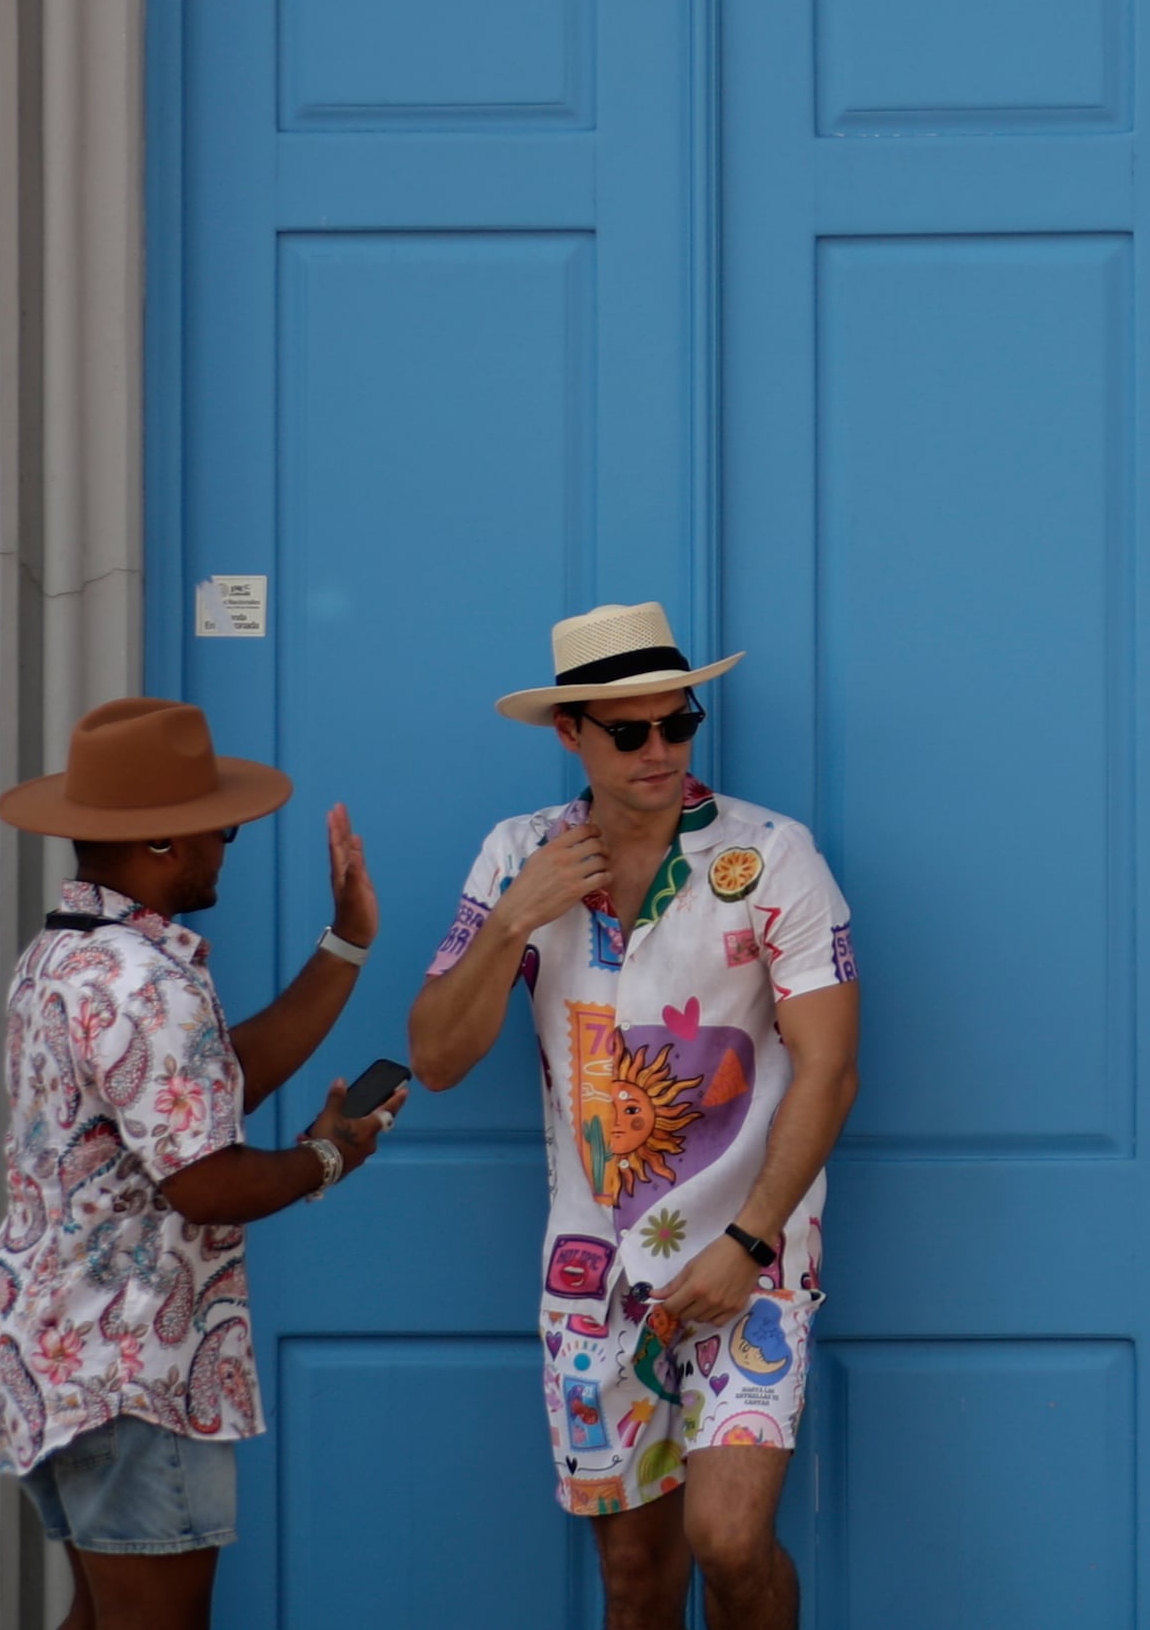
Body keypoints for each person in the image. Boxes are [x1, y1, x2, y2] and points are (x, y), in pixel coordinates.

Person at [412, 602, 862, 1630]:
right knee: (634, 1583)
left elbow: (829, 1069)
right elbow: (437, 1056)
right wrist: (518, 916)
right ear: (567, 733)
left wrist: (749, 1242)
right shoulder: (517, 854)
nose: (661, 750)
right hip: (592, 1274)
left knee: (730, 1542)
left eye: (679, 722)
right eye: (629, 731)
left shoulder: (768, 855)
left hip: (751, 1254)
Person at [0, 696, 390, 1628]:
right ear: (161, 842)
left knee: (101, 1613)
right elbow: (204, 1182)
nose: (229, 843)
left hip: (57, 1349)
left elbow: (199, 1088)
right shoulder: (144, 979)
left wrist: (348, 940)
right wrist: (327, 1156)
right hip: (133, 1367)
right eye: (222, 827)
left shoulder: (65, 956)